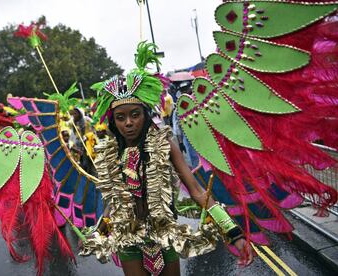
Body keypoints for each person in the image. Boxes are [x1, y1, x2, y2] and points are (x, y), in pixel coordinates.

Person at [81, 42, 252, 276]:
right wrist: (98, 234)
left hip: (165, 235)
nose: (128, 122)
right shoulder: (111, 153)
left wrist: (232, 231)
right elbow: (114, 203)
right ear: (113, 121)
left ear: (145, 115)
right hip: (128, 237)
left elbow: (197, 190)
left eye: (135, 114)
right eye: (121, 117)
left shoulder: (165, 143)